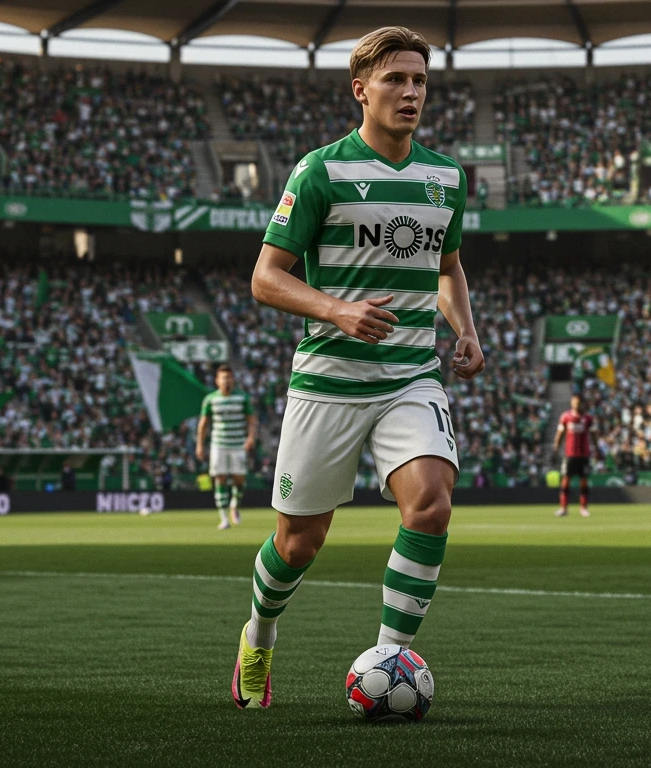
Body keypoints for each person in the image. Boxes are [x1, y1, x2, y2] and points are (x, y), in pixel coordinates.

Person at [231, 26, 484, 710]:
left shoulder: (445, 177)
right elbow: (264, 278)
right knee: (300, 542)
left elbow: (448, 268)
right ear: (361, 90)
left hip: (409, 376)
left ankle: (391, 660)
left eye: (420, 81)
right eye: (396, 80)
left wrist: (464, 328)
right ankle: (258, 638)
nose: (410, 93)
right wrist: (337, 309)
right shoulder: (321, 171)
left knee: (431, 504)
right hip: (329, 381)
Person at [196, 364, 256, 530]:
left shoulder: (242, 398)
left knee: (239, 479)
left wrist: (251, 437)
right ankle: (223, 518)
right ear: (217, 380)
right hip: (219, 444)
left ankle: (234, 506)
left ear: (233, 379)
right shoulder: (210, 399)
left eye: (228, 377)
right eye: (223, 377)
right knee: (220, 478)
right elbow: (203, 424)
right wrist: (200, 445)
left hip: (238, 444)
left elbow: (251, 419)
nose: (226, 380)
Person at [551, 393, 594, 518]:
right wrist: (555, 449)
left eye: (578, 401)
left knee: (584, 481)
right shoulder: (565, 417)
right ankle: (563, 508)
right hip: (569, 454)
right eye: (574, 401)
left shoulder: (588, 418)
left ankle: (583, 508)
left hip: (584, 454)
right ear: (571, 402)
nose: (576, 403)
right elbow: (560, 434)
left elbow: (594, 435)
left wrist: (597, 450)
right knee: (565, 481)